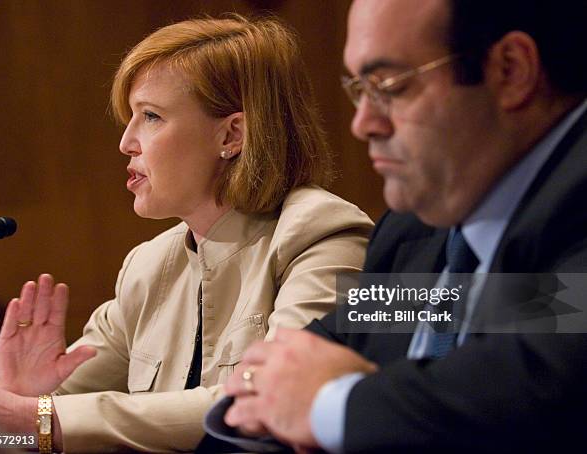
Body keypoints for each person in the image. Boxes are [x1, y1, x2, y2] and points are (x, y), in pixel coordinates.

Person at [0, 14, 373, 453]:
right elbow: (26, 431)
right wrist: (22, 396)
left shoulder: (322, 235)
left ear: (232, 134)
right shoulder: (148, 267)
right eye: (130, 117)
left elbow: (271, 400)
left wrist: (32, 417)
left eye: (150, 116)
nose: (126, 142)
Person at [220, 0, 587, 451]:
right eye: (360, 89)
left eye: (389, 86)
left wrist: (332, 404)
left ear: (510, 71)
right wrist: (266, 388)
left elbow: (545, 372)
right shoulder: (414, 229)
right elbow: (323, 346)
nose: (363, 123)